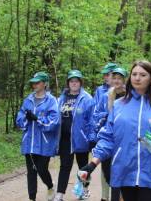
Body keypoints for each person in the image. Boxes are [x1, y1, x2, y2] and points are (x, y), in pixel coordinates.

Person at [79, 60, 151, 201]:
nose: (137, 78)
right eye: (134, 74)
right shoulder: (118, 105)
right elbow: (108, 137)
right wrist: (92, 164)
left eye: (142, 74)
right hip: (124, 172)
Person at [16, 71, 60, 201]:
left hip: (45, 142)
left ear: (44, 84)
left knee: (41, 169)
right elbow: (20, 119)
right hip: (29, 141)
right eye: (34, 82)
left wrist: (37, 119)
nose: (35, 85)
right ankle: (32, 198)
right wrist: (26, 118)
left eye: (38, 82)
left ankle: (50, 186)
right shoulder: (28, 99)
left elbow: (54, 121)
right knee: (31, 172)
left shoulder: (51, 100)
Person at [55, 70, 95, 201]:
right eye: (71, 81)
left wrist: (91, 139)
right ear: (68, 83)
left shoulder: (87, 99)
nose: (74, 83)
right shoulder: (61, 98)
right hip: (65, 140)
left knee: (83, 168)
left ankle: (84, 191)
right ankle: (60, 194)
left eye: (76, 81)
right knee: (64, 167)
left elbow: (91, 121)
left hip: (80, 139)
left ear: (80, 83)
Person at [93, 67, 128, 201]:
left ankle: (120, 196)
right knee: (107, 172)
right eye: (114, 78)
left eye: (120, 78)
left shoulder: (130, 95)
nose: (117, 81)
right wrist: (105, 117)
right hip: (108, 138)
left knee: (119, 173)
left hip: (123, 139)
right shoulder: (106, 96)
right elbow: (96, 115)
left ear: (124, 80)